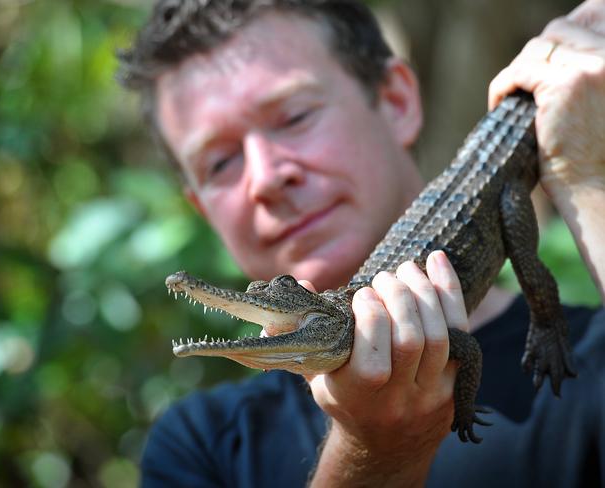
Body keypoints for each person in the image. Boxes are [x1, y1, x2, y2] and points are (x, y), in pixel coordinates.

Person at [118, 0, 605, 486]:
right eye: (220, 163)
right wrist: (372, 453)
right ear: (201, 208)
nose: (265, 178)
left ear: (395, 101)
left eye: (295, 117)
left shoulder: (595, 357)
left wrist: (583, 181)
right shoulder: (198, 446)